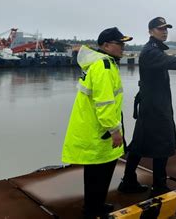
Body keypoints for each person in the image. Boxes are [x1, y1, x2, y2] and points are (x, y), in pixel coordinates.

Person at [118, 17, 176, 195]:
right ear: (150, 31)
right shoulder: (151, 51)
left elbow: (166, 59)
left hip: (151, 104)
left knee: (139, 144)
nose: (164, 31)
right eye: (160, 29)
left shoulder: (155, 49)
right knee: (162, 145)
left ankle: (128, 181)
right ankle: (158, 186)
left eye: (166, 29)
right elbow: (167, 61)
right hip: (156, 107)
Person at [62, 27, 133, 218]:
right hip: (100, 129)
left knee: (95, 172)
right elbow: (104, 103)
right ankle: (93, 209)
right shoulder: (104, 66)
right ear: (106, 45)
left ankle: (94, 205)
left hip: (92, 126)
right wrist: (114, 130)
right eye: (120, 44)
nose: (123, 48)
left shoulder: (99, 63)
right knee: (100, 172)